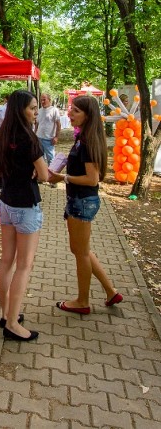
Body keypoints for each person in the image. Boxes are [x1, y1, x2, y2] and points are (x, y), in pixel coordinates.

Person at [48, 95, 123, 314]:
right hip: (79, 200)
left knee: (80, 253)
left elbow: (92, 179)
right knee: (82, 250)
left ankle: (82, 302)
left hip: (82, 201)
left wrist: (63, 178)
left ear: (88, 115)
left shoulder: (88, 141)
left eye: (76, 111)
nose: (70, 114)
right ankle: (110, 291)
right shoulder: (84, 138)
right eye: (71, 109)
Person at [0, 90, 48, 342]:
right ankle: (12, 323)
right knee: (24, 265)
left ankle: (6, 314)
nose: (36, 112)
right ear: (20, 109)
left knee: (7, 260)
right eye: (32, 108)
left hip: (6, 202)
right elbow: (45, 175)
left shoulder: (2, 135)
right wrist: (38, 172)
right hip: (25, 205)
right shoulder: (29, 139)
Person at [35, 93, 61, 168]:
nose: (42, 102)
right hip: (39, 137)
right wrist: (34, 134)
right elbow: (37, 124)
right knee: (40, 158)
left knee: (51, 158)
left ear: (49, 100)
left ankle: (51, 173)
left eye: (44, 99)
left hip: (49, 139)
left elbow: (58, 125)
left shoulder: (54, 110)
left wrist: (56, 137)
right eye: (41, 100)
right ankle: (42, 173)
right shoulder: (39, 111)